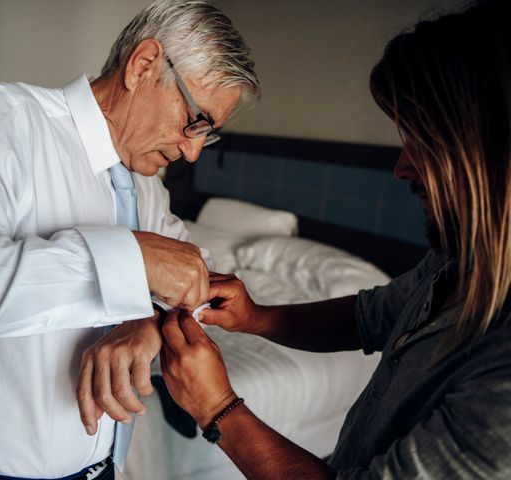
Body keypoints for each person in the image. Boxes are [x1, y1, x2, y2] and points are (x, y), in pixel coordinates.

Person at [0, 1, 260, 479]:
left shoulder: (147, 184)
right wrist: (131, 260)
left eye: (209, 134)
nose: (194, 151)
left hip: (100, 468)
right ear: (144, 66)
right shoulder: (2, 120)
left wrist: (147, 318)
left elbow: (191, 266)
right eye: (195, 120)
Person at [158, 0, 511, 478]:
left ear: (488, 149)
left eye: (422, 143)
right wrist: (257, 317)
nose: (401, 167)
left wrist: (220, 409)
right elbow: (368, 317)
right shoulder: (457, 260)